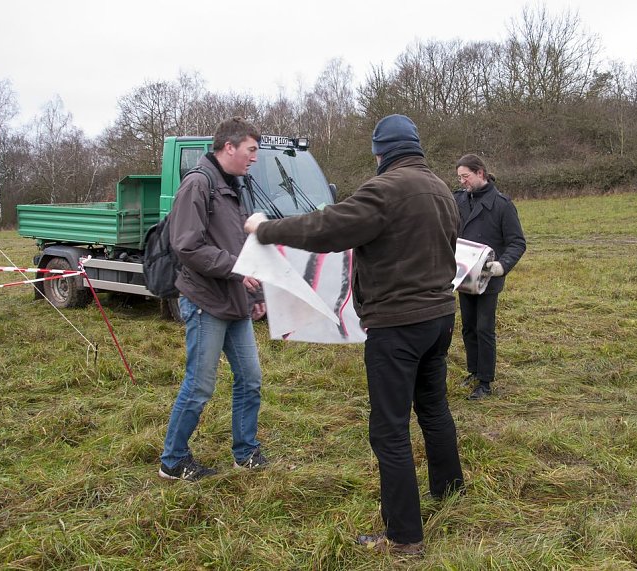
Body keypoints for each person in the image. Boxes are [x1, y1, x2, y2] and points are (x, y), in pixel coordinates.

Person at [245, 114, 464, 555]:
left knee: (389, 431)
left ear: (380, 152)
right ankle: (448, 490)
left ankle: (404, 537)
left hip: (398, 325)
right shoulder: (442, 189)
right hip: (440, 317)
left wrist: (263, 229)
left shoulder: (384, 190)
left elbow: (325, 227)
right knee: (434, 409)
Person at [159, 117, 268, 481]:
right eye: (251, 150)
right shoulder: (198, 184)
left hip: (235, 299)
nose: (254, 158)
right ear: (229, 147)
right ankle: (173, 461)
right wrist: (238, 271)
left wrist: (256, 293)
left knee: (250, 379)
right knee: (200, 385)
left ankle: (245, 452)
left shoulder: (233, 186)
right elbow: (188, 246)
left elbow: (242, 245)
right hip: (206, 300)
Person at [454, 154, 526, 400]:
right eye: (459, 177)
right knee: (468, 327)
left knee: (484, 328)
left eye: (466, 176)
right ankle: (473, 371)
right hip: (464, 276)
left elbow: (517, 242)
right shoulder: (457, 200)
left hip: (489, 278)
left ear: (480, 173)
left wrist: (502, 266)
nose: (462, 181)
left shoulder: (502, 205)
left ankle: (485, 381)